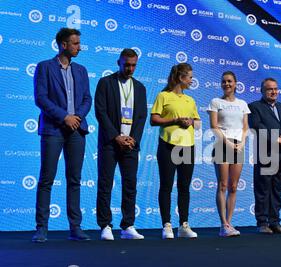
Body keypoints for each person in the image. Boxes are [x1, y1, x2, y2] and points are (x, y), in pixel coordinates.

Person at [32, 28, 92, 242]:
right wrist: (64, 117)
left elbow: (87, 98)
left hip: (77, 130)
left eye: (79, 43)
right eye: (75, 43)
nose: (79, 47)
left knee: (74, 179)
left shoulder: (82, 70)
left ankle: (75, 227)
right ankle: (41, 228)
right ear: (63, 45)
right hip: (53, 129)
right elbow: (41, 98)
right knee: (46, 179)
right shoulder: (44, 67)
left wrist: (76, 117)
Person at [94, 49, 148, 240]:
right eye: (126, 65)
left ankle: (127, 225)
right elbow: (100, 112)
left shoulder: (140, 88)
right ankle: (105, 225)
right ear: (119, 62)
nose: (130, 68)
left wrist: (133, 138)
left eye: (133, 65)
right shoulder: (105, 83)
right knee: (105, 183)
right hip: (110, 143)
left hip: (131, 144)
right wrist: (116, 136)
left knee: (130, 184)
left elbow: (142, 116)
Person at [151, 63, 201, 239]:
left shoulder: (190, 100)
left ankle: (184, 225)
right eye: (190, 77)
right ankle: (167, 225)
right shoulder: (163, 96)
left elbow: (198, 123)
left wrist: (190, 122)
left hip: (187, 145)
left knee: (184, 187)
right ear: (181, 78)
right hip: (167, 145)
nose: (192, 80)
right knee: (166, 186)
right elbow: (154, 119)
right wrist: (174, 120)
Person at [248, 78, 281, 234]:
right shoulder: (255, 107)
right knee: (263, 190)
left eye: (276, 89)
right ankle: (262, 223)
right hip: (266, 153)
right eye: (270, 89)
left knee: (277, 190)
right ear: (262, 91)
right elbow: (257, 126)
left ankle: (275, 222)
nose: (274, 92)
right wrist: (275, 139)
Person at [207, 71, 251, 237]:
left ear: (235, 84)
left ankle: (229, 223)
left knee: (233, 187)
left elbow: (245, 127)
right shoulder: (215, 102)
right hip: (222, 145)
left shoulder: (242, 104)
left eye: (230, 81)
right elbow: (214, 126)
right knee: (223, 185)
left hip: (238, 146)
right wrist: (228, 143)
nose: (227, 84)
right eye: (224, 81)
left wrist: (242, 143)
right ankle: (223, 224)